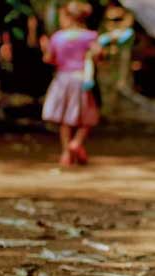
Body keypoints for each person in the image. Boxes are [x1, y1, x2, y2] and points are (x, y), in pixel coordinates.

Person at [40, 1, 100, 166]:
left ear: (67, 17)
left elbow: (49, 59)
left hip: (62, 79)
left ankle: (66, 152)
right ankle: (77, 143)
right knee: (87, 116)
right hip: (81, 79)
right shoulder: (90, 36)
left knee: (65, 118)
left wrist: (45, 48)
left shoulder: (57, 37)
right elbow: (98, 56)